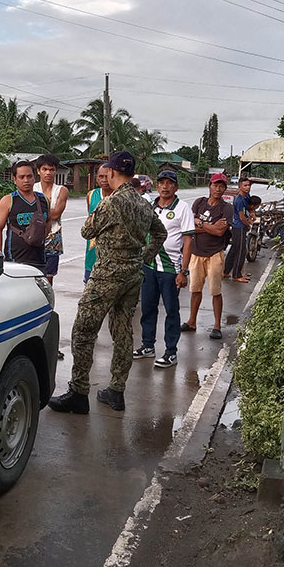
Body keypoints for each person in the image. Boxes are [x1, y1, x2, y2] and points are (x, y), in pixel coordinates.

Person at [49, 151, 166, 414]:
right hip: (133, 275)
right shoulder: (142, 202)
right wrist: (145, 256)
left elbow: (86, 231)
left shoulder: (112, 202)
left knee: (83, 331)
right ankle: (117, 390)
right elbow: (160, 232)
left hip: (107, 274)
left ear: (112, 173)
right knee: (123, 332)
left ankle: (79, 391)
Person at [133, 170, 194, 368]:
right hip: (149, 266)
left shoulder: (183, 208)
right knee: (148, 307)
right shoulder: (150, 206)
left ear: (176, 187)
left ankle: (170, 352)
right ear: (156, 185)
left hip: (170, 269)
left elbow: (187, 240)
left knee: (171, 311)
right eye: (161, 183)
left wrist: (183, 271)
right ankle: (148, 345)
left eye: (169, 183)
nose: (165, 187)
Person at [182, 174, 233, 340]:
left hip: (215, 254)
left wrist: (200, 222)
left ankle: (217, 325)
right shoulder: (199, 202)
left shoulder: (226, 208)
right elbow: (189, 227)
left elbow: (220, 232)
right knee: (195, 289)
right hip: (196, 253)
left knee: (215, 291)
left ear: (224, 188)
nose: (218, 189)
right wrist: (208, 226)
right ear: (209, 186)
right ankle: (191, 321)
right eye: (215, 185)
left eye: (221, 186)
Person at [0, 160, 48, 273]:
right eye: (21, 177)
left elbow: (49, 221)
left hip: (39, 260)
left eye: (29, 176)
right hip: (15, 261)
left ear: (34, 178)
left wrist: (39, 237)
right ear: (15, 179)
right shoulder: (8, 200)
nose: (26, 180)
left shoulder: (43, 200)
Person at [33, 154, 69, 285]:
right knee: (31, 274)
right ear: (38, 171)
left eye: (51, 169)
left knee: (48, 279)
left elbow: (56, 215)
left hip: (53, 237)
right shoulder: (32, 188)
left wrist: (37, 213)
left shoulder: (61, 190)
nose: (48, 172)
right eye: (44, 169)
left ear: (55, 171)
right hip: (32, 237)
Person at [83, 166, 114, 283]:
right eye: (101, 176)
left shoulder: (119, 197)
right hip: (92, 251)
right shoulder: (91, 195)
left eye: (107, 176)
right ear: (96, 178)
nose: (104, 180)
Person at [226, 177, 253, 283]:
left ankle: (226, 271)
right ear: (240, 186)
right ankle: (237, 274)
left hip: (241, 226)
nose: (247, 187)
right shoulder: (239, 200)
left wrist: (252, 213)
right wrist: (248, 225)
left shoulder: (247, 196)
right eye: (245, 185)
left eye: (249, 185)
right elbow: (242, 217)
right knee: (241, 251)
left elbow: (249, 207)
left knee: (234, 249)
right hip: (239, 227)